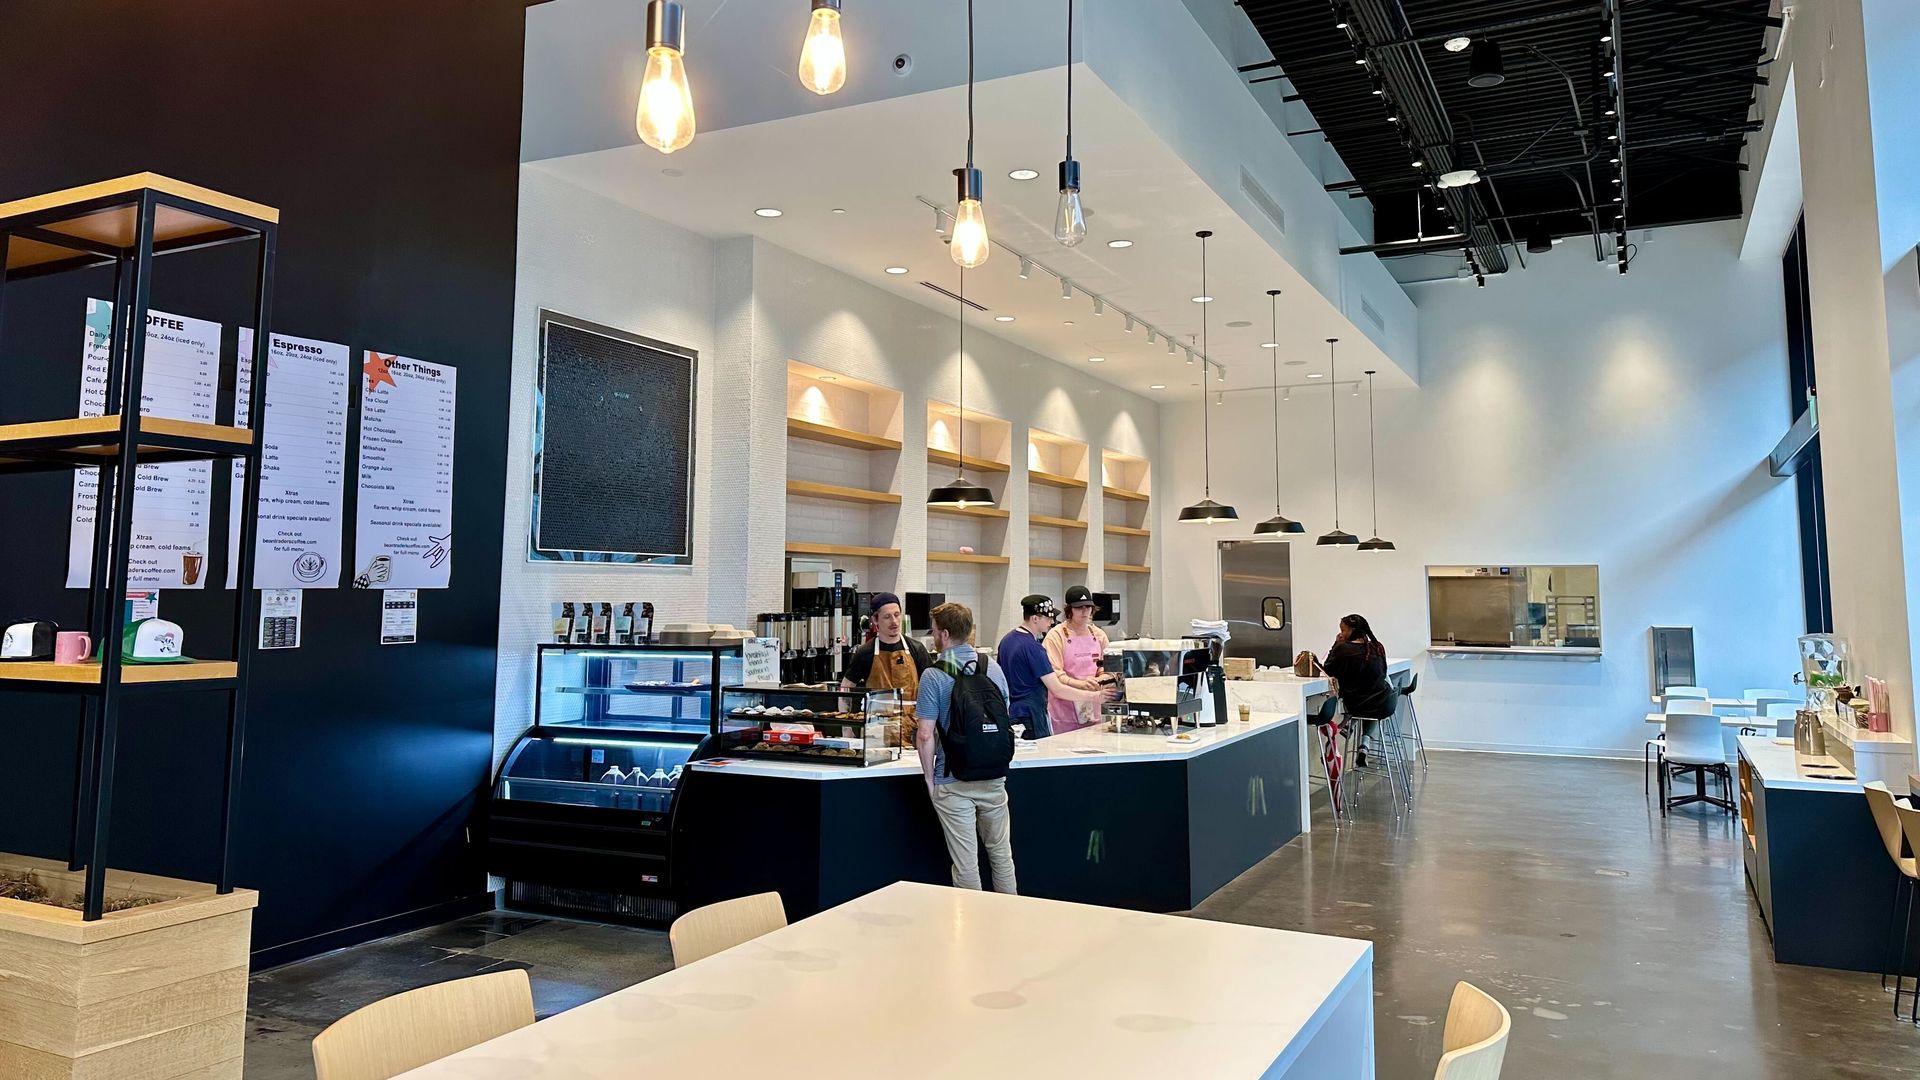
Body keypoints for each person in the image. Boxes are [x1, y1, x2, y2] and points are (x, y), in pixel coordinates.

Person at [916, 601, 1016, 893]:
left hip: (954, 779)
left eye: (933, 631)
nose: (932, 636)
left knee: (966, 864)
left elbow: (925, 734)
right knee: (1001, 855)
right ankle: (1011, 920)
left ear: (944, 634)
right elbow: (1003, 715)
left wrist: (929, 779)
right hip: (994, 777)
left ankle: (973, 932)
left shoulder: (934, 675)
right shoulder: (992, 667)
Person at [996, 594, 1111, 740]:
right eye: (1048, 618)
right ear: (1035, 618)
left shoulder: (1007, 640)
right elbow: (1057, 688)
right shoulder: (1034, 648)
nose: (1052, 622)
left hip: (1012, 713)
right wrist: (1094, 696)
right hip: (1031, 716)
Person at [841, 592, 933, 745]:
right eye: (887, 617)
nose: (894, 621)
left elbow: (932, 689)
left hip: (912, 732)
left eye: (897, 615)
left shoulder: (917, 649)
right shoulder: (865, 653)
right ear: (875, 620)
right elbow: (845, 688)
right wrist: (846, 728)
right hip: (876, 734)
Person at [1322, 613, 1393, 767]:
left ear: (1353, 630)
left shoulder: (1343, 648)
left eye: (1344, 630)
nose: (1341, 634)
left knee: (1361, 703)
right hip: (1383, 701)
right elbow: (1384, 672)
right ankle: (1364, 745)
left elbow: (1328, 669)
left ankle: (1348, 723)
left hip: (1356, 702)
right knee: (1372, 703)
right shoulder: (1378, 646)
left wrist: (1335, 645)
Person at [1043, 585, 1112, 734]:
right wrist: (1080, 684)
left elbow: (1108, 667)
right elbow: (1055, 674)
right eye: (1079, 607)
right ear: (1069, 610)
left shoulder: (1099, 635)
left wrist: (1100, 679)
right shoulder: (1055, 636)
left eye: (1088, 607)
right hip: (1064, 710)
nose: (1085, 611)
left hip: (1094, 707)